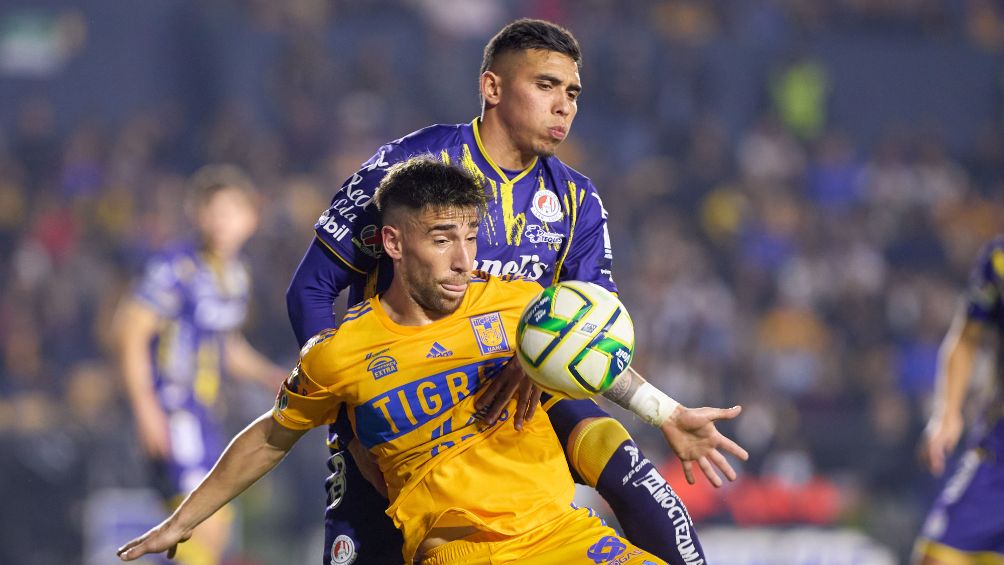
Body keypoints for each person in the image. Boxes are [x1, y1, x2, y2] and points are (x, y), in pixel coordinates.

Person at [118, 158, 743, 565]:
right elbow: (271, 437)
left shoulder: (520, 308)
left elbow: (591, 358)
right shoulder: (343, 353)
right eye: (443, 239)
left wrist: (665, 412)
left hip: (565, 536)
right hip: (460, 552)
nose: (464, 258)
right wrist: (183, 520)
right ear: (394, 242)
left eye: (471, 236)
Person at [286, 18, 745, 565]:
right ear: (493, 88)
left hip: (523, 399)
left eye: (573, 92)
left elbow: (591, 338)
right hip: (407, 412)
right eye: (546, 86)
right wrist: (354, 410)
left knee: (630, 471)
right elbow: (310, 291)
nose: (565, 106)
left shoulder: (576, 200)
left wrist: (662, 410)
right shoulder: (412, 167)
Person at [112, 164, 287, 565]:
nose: (220, 222)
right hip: (175, 407)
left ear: (251, 218)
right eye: (211, 211)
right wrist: (146, 407)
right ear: (198, 216)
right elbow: (130, 331)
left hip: (206, 411)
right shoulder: (176, 268)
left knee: (215, 523)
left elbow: (225, 346)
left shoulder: (235, 276)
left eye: (230, 211)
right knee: (199, 520)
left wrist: (269, 375)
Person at [914, 235, 1004, 565]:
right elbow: (966, 338)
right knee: (936, 557)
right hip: (999, 450)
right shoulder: (998, 260)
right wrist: (947, 413)